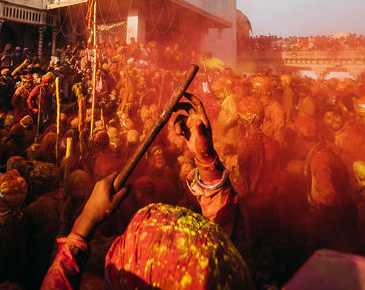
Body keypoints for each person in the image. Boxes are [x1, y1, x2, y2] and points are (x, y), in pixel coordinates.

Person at [40, 92, 254, 289]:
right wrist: (207, 163)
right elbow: (221, 243)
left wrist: (83, 225)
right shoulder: (218, 275)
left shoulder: (160, 179)